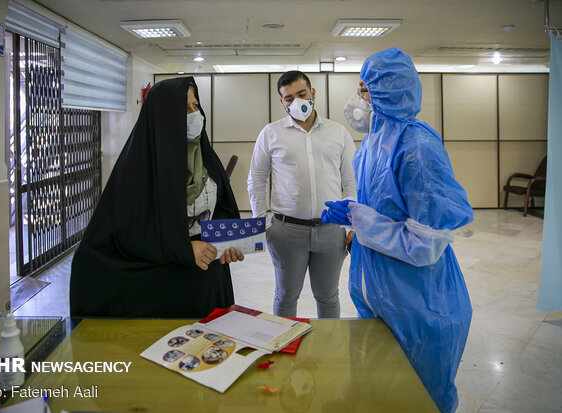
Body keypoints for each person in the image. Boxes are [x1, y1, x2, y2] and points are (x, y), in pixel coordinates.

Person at [322, 48, 473, 413]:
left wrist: (360, 219)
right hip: (378, 294)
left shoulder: (418, 149)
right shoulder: (373, 142)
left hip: (418, 303)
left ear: (388, 92)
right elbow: (384, 210)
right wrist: (356, 222)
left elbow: (425, 245)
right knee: (379, 391)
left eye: (364, 90)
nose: (357, 100)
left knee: (420, 397)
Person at [70, 77, 243, 318]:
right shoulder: (138, 168)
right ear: (162, 115)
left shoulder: (207, 158)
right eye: (184, 109)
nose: (195, 114)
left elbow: (222, 207)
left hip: (205, 278)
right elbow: (127, 234)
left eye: (196, 106)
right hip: (161, 287)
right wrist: (182, 249)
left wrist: (227, 240)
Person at [247, 70, 356, 318]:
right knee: (286, 296)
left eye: (301, 94)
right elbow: (256, 179)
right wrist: (260, 220)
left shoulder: (338, 133)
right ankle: (285, 349)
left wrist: (353, 225)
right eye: (288, 98)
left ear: (313, 93)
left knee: (328, 296)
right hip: (286, 231)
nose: (296, 101)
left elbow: (351, 180)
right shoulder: (271, 133)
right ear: (282, 101)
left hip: (331, 231)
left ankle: (328, 350)